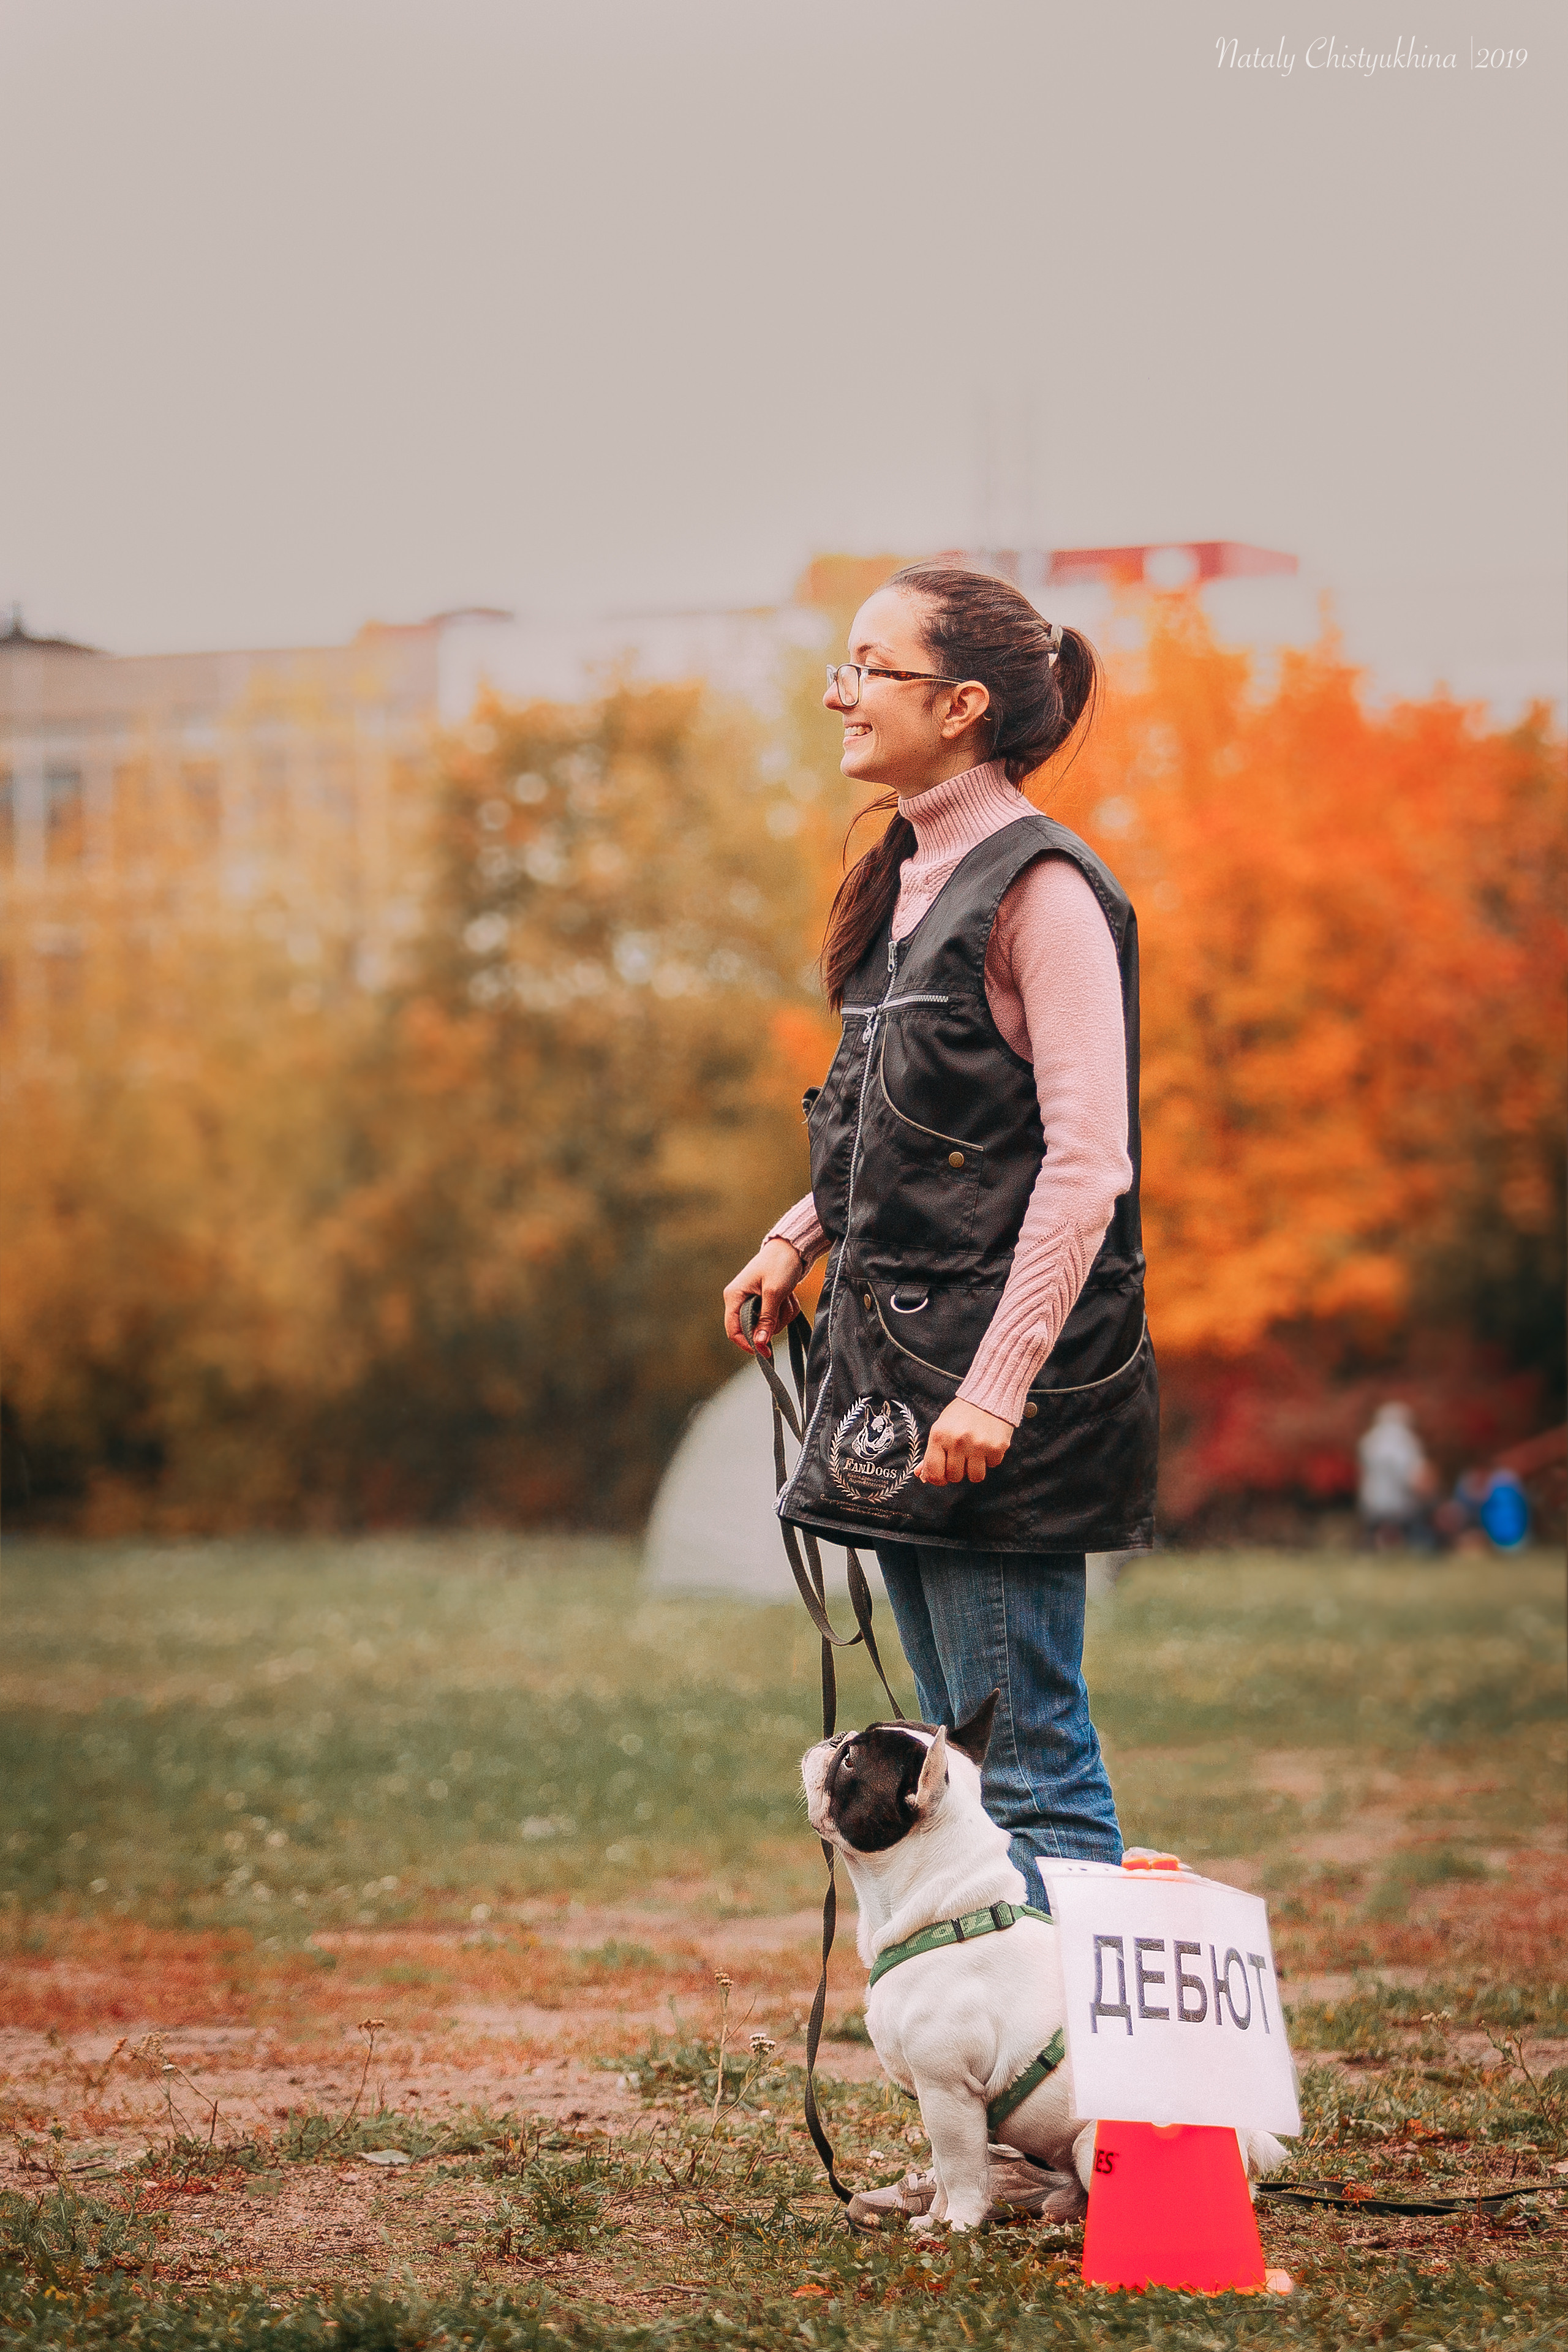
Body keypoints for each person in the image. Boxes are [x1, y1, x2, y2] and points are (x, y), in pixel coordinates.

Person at [722, 564, 1158, 1905]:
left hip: (990, 1398)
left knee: (1023, 1762)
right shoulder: (905, 878)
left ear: (962, 704)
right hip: (897, 1375)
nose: (836, 691)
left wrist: (995, 1388)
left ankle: (1086, 2093)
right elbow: (912, 1129)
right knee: (958, 1764)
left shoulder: (1043, 888)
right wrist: (794, 1238)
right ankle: (1026, 2073)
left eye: (870, 666)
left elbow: (1086, 1168)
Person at [1356, 1401, 1436, 1549]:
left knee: (1374, 1537)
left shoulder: (1369, 1441)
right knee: (1415, 1539)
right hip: (1401, 1502)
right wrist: (1428, 1496)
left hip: (1372, 1501)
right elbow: (1413, 1473)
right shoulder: (1405, 1441)